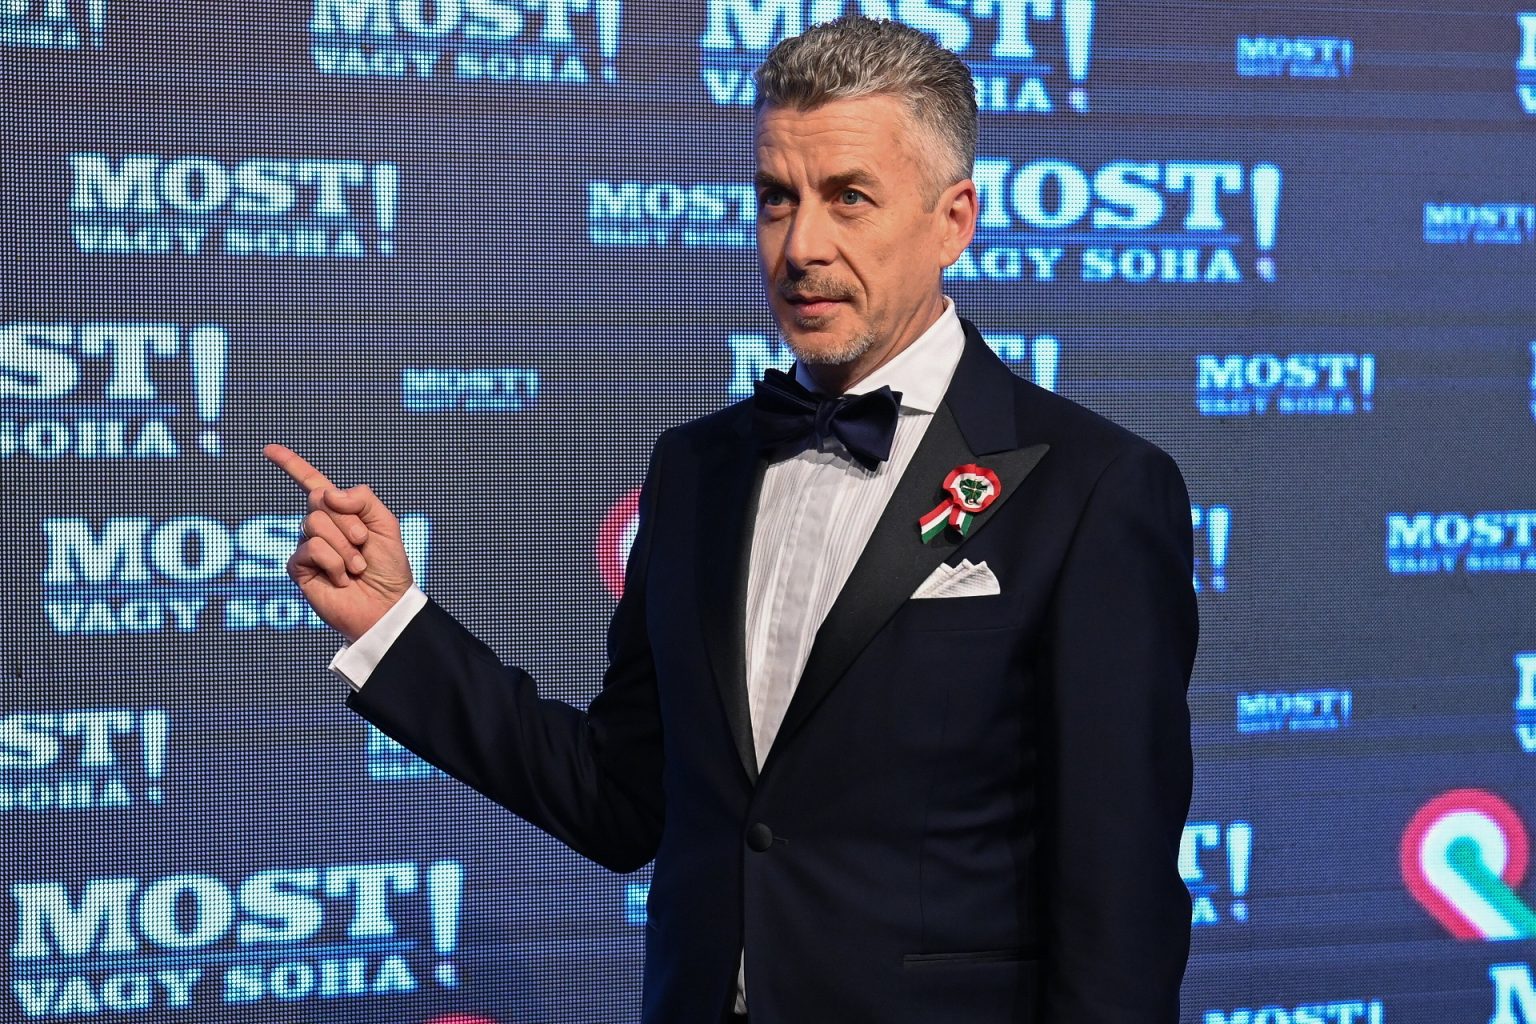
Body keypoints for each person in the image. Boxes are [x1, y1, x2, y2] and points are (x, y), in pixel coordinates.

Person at [267, 16, 1196, 1023]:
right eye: (776, 199)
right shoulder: (695, 469)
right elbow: (620, 799)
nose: (802, 246)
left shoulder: (1092, 489)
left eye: (849, 198)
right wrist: (395, 625)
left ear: (953, 220)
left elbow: (1120, 906)